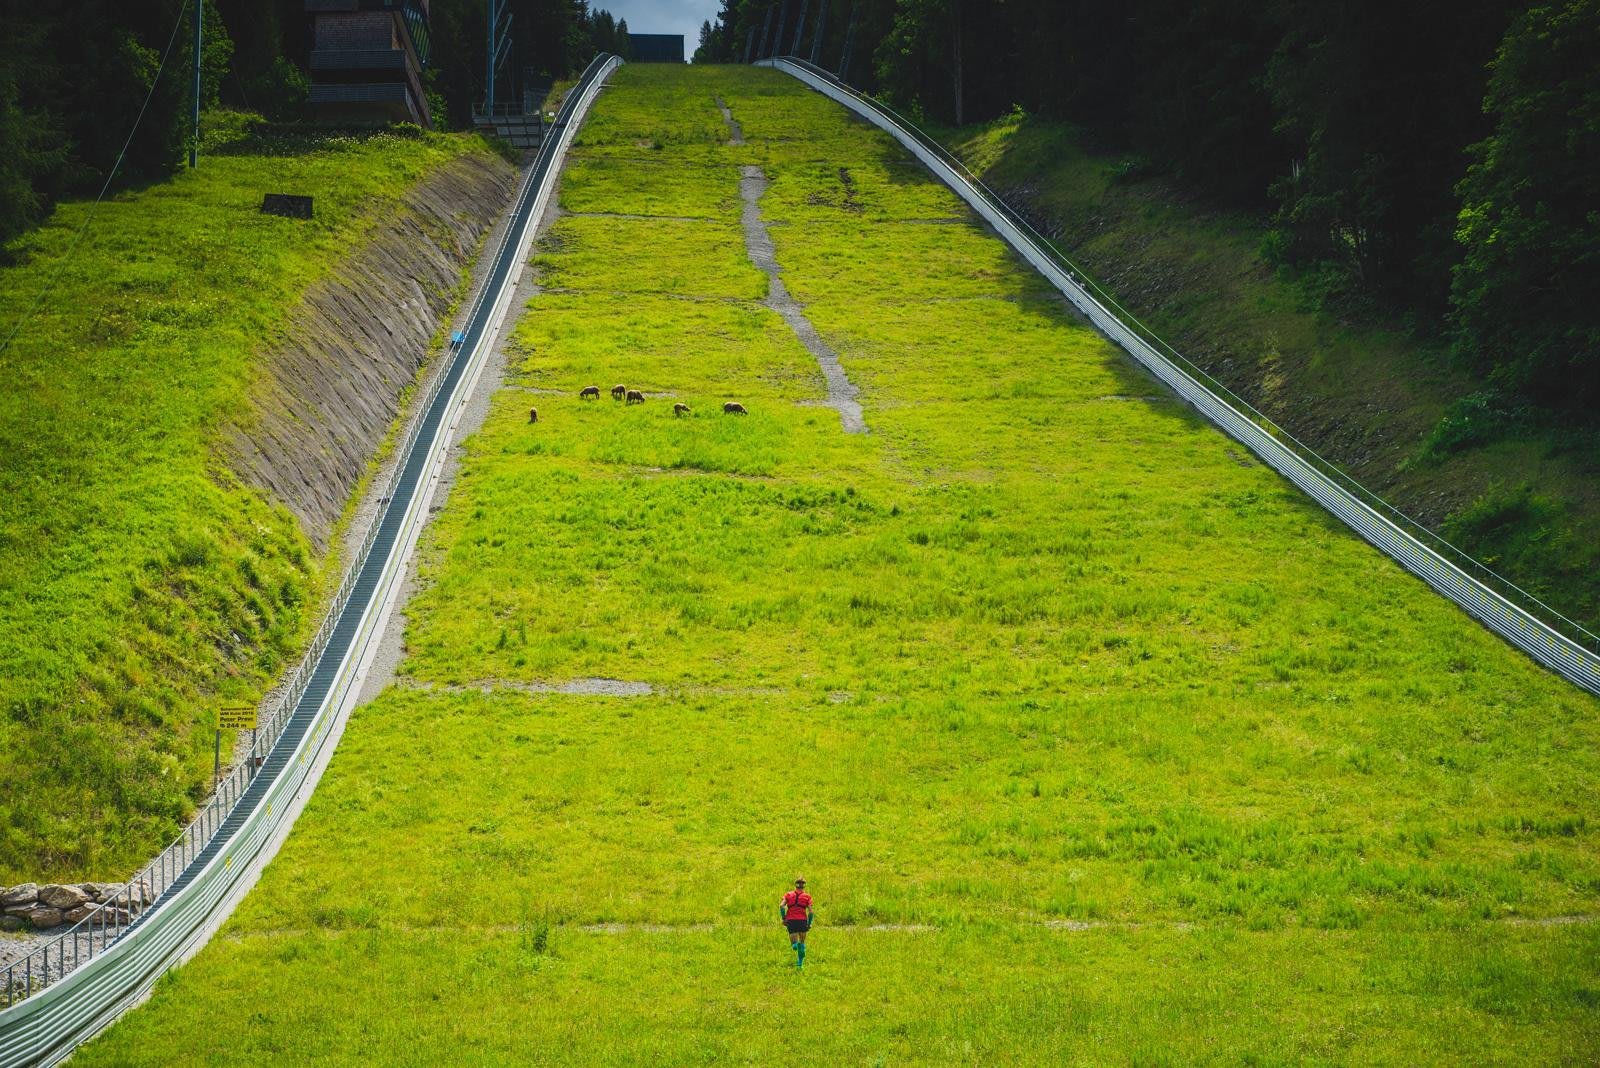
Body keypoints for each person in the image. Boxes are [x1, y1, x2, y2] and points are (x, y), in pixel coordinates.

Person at [780, 877, 813, 968]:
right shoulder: (807, 897)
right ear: (804, 886)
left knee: (794, 945)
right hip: (802, 921)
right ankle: (800, 964)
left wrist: (784, 918)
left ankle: (795, 945)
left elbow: (781, 906)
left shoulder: (788, 894)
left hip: (791, 921)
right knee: (802, 942)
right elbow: (811, 912)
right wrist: (809, 923)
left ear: (796, 885)